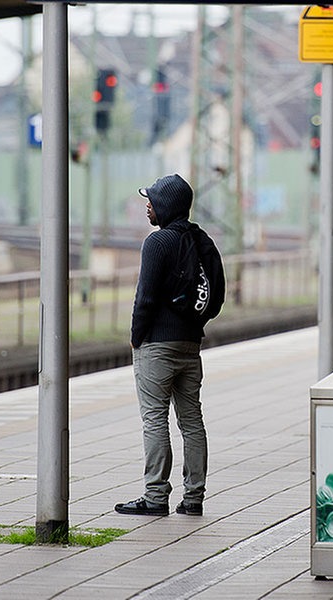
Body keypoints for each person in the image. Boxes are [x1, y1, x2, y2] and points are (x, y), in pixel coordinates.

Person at [114, 173, 213, 517]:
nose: (147, 205)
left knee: (154, 419)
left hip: (156, 345)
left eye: (152, 201)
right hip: (190, 346)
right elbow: (217, 292)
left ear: (165, 206)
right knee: (192, 421)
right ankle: (193, 498)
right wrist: (196, 323)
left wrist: (136, 337)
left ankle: (155, 497)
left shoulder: (157, 243)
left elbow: (146, 298)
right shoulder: (202, 240)